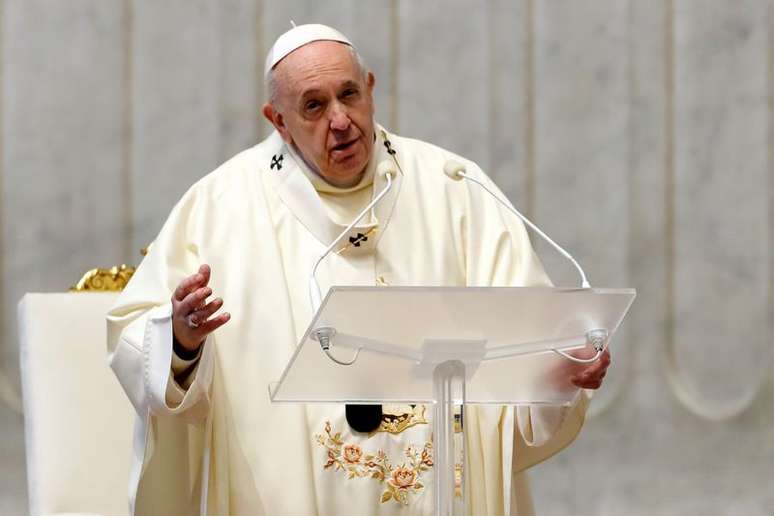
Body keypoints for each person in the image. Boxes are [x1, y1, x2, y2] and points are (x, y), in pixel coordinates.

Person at [107, 23, 610, 516]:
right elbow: (135, 336)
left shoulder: (454, 187)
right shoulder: (220, 206)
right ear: (278, 120)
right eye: (314, 106)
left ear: (370, 89)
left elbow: (529, 335)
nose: (341, 120)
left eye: (349, 95)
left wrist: (558, 370)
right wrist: (181, 341)